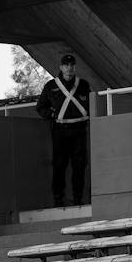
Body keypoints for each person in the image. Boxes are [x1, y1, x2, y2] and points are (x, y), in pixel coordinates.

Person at [36, 52, 91, 206]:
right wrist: (51, 114)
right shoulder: (51, 86)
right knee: (59, 165)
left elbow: (90, 103)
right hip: (60, 131)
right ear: (61, 67)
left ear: (75, 67)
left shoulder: (83, 84)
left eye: (72, 65)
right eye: (66, 65)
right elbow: (40, 107)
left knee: (79, 165)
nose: (69, 68)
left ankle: (78, 198)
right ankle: (58, 199)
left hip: (79, 130)